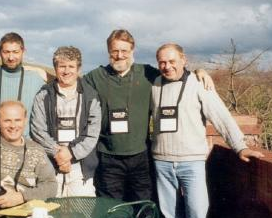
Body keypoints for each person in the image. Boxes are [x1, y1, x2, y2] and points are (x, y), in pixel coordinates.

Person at [84, 29, 213, 202]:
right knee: (110, 208)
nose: (119, 55)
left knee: (143, 206)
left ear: (132, 51)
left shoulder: (147, 73)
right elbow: (71, 86)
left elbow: (174, 73)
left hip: (141, 156)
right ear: (108, 51)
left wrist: (198, 71)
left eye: (124, 51)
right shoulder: (95, 76)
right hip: (108, 156)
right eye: (115, 51)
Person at [151, 43, 265, 218]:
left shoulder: (199, 83)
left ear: (183, 60)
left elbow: (221, 117)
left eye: (172, 61)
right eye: (162, 62)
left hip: (191, 162)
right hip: (162, 162)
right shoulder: (154, 84)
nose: (167, 66)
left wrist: (239, 146)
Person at [30, 46, 101, 197]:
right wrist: (58, 154)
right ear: (55, 68)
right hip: (50, 166)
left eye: (71, 66)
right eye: (62, 66)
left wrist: (71, 153)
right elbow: (38, 131)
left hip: (81, 170)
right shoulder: (43, 95)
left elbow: (92, 133)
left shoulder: (91, 96)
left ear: (79, 69)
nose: (66, 71)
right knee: (51, 215)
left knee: (82, 216)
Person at [0, 32, 46, 137]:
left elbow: (42, 119)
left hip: (25, 146)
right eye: (6, 52)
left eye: (15, 52)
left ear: (23, 51)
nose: (11, 57)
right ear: (0, 52)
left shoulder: (36, 80)